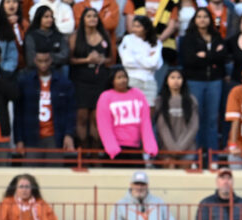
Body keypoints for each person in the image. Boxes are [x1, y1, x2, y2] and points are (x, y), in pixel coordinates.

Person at [179, 7, 227, 157]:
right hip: (195, 81)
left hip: (214, 82)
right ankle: (196, 155)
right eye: (199, 16)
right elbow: (189, 60)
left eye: (205, 16)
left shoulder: (216, 36)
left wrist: (204, 56)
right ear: (195, 19)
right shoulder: (188, 38)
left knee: (212, 119)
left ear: (210, 19)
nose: (202, 19)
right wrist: (212, 56)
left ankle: (213, 155)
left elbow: (222, 58)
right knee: (196, 118)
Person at [15, 49, 76, 165]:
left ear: (51, 60)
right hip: (31, 137)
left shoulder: (63, 83)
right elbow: (19, 113)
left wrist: (69, 134)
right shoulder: (25, 82)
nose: (43, 64)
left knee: (54, 178)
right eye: (40, 61)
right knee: (30, 175)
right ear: (34, 61)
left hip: (55, 136)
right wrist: (19, 140)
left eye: (46, 60)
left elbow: (70, 112)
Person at [68, 7, 112, 150]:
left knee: (96, 117)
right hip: (81, 78)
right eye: (89, 16)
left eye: (95, 16)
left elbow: (112, 58)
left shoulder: (104, 35)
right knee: (82, 116)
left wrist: (101, 59)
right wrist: (87, 60)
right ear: (83, 19)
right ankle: (83, 151)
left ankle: (95, 152)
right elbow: (70, 60)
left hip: (99, 79)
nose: (92, 18)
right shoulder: (76, 36)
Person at [96, 67, 158, 162]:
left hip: (135, 148)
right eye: (119, 77)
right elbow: (104, 126)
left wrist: (150, 146)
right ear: (112, 80)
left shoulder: (138, 94)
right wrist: (111, 147)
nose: (123, 80)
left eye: (124, 77)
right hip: (115, 150)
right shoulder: (106, 97)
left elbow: (146, 122)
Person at [154, 67, 199, 165]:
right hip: (166, 150)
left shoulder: (191, 100)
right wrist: (173, 149)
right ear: (166, 80)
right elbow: (162, 128)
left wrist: (180, 148)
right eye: (172, 77)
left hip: (187, 149)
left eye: (179, 78)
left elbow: (193, 127)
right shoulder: (160, 101)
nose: (176, 81)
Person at [119, 15, 163, 106]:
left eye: (138, 26)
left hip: (150, 81)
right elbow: (127, 62)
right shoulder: (128, 39)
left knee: (150, 109)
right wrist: (146, 58)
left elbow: (155, 64)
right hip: (133, 80)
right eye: (134, 26)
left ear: (146, 28)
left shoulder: (156, 42)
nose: (135, 29)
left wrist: (136, 56)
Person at [24, 5, 70, 70]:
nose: (50, 19)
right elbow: (31, 59)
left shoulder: (59, 36)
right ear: (39, 18)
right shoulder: (31, 36)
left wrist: (47, 57)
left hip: (57, 70)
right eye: (46, 17)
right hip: (37, 71)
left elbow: (65, 55)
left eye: (51, 17)